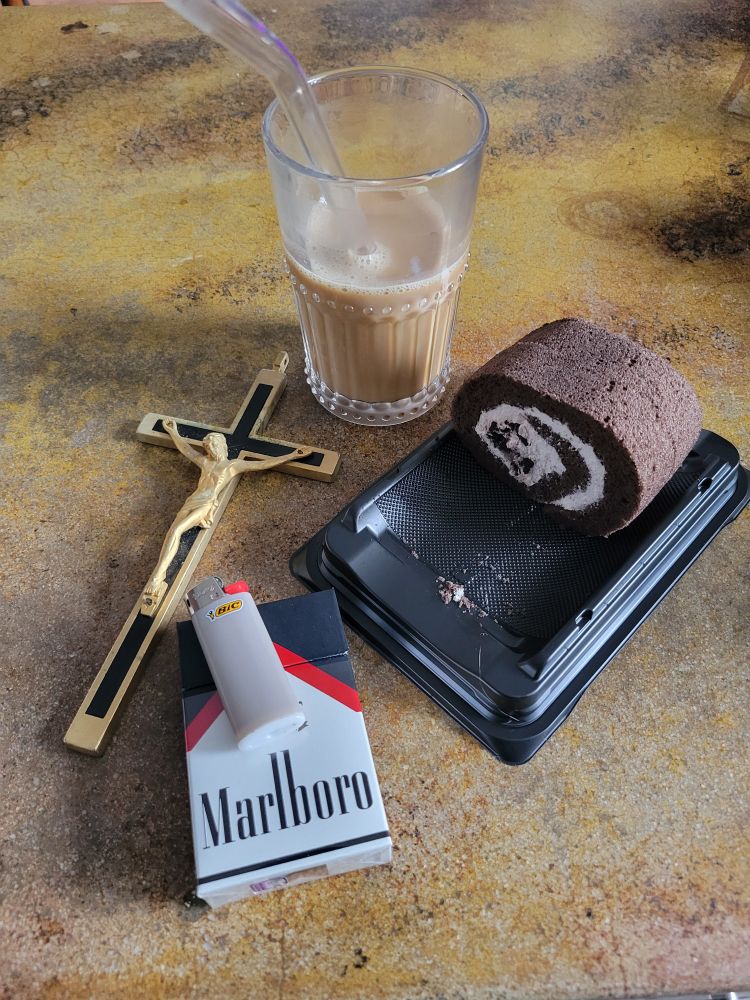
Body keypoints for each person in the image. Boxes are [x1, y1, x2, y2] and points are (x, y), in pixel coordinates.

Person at [140, 417, 310, 615]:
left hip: (206, 504)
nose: (210, 450)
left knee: (178, 530)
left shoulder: (232, 466)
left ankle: (156, 578)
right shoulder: (205, 462)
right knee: (172, 533)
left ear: (221, 446)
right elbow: (186, 449)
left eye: (213, 446)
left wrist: (291, 456)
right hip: (192, 500)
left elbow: (263, 464)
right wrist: (173, 432)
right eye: (208, 447)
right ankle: (157, 578)